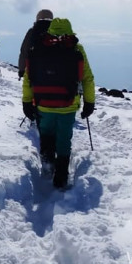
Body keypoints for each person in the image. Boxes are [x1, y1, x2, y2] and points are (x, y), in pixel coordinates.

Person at [21, 18, 95, 190]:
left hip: (43, 104)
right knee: (64, 139)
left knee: (46, 133)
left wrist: (26, 102)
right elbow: (87, 79)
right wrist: (89, 102)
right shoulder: (77, 49)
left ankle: (48, 165)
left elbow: (28, 78)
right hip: (67, 105)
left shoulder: (37, 48)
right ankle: (61, 176)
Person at [18, 9, 54, 80]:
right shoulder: (56, 31)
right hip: (56, 72)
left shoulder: (32, 32)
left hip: (36, 72)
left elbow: (24, 51)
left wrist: (21, 70)